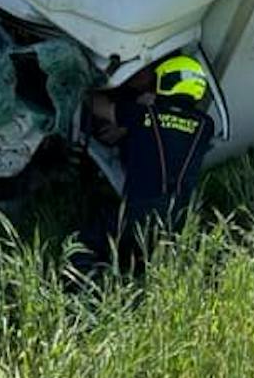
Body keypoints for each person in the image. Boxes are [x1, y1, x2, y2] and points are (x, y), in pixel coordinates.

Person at [76, 53, 216, 274]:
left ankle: (80, 287)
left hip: (136, 213)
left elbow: (98, 106)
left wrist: (84, 86)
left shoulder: (143, 114)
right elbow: (171, 128)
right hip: (177, 220)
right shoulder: (206, 125)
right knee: (145, 262)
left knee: (85, 243)